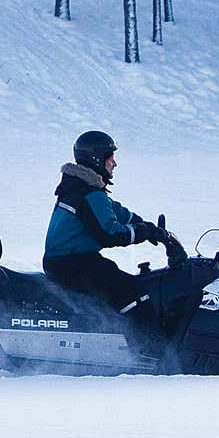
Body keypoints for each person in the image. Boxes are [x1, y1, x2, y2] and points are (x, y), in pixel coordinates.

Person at [43, 130, 166, 314]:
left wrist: (147, 226)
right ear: (97, 158)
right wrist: (144, 232)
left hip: (67, 261)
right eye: (111, 158)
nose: (114, 163)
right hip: (71, 265)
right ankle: (148, 342)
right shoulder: (89, 193)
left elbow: (115, 211)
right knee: (134, 292)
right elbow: (110, 233)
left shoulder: (80, 186)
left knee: (113, 276)